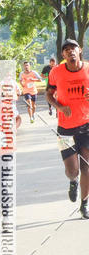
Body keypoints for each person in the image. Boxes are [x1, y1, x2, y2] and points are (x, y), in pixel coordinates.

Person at [46, 39, 89, 219]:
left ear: (80, 50)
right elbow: (48, 94)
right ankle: (73, 181)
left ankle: (84, 204)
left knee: (87, 167)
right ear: (62, 55)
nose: (70, 51)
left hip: (86, 125)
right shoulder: (56, 72)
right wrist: (60, 107)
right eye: (66, 50)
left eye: (73, 48)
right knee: (73, 170)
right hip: (65, 128)